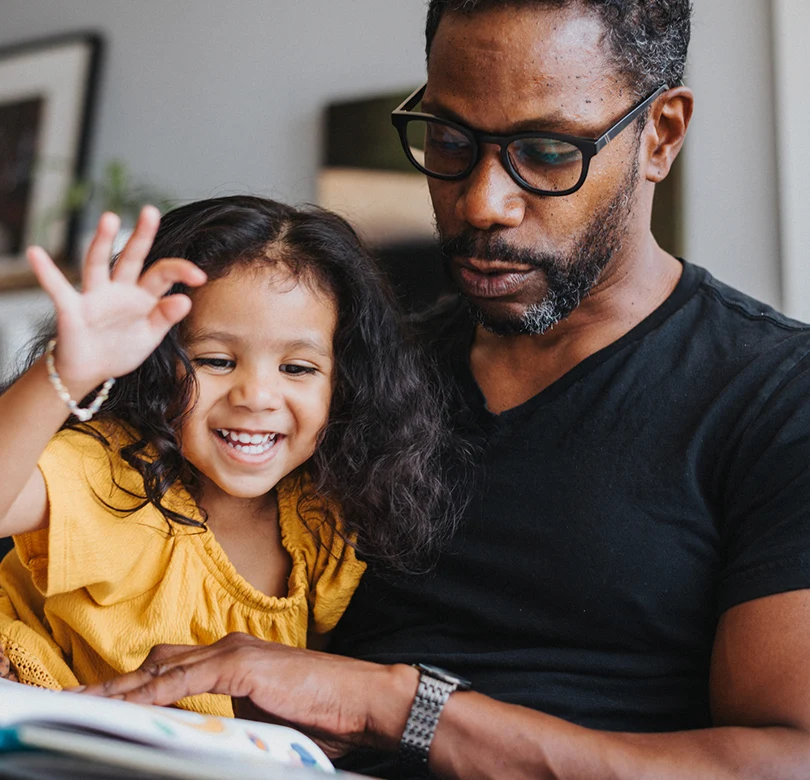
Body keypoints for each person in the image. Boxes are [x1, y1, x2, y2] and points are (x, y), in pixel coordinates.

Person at [83, 1, 810, 777]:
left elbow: (786, 760)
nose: (480, 203)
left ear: (660, 135)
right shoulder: (347, 373)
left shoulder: (775, 396)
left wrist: (395, 706)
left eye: (545, 150)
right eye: (451, 141)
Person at [0, 195, 462, 718]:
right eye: (217, 360)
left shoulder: (324, 518)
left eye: (298, 369)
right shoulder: (116, 474)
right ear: (155, 365)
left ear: (348, 384)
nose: (257, 395)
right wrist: (70, 369)